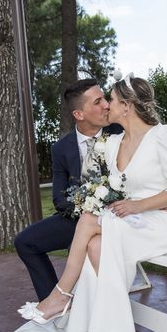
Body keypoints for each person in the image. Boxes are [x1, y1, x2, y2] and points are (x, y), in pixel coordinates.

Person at [14, 74, 167, 332]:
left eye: (111, 99)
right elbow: (96, 186)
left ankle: (60, 296)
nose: (107, 105)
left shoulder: (162, 134)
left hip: (157, 222)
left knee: (88, 225)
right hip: (124, 217)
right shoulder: (115, 142)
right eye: (102, 100)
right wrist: (106, 204)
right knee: (93, 244)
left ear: (127, 106)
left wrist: (151, 203)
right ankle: (109, 330)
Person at [14, 79, 122, 301]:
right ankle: (54, 305)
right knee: (25, 242)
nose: (107, 106)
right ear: (79, 114)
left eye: (105, 99)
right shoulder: (61, 148)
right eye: (98, 101)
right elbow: (60, 198)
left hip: (120, 213)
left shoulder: (120, 132)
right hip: (78, 216)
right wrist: (85, 211)